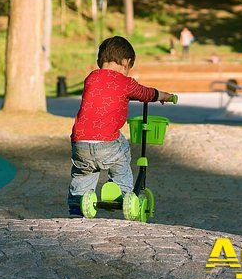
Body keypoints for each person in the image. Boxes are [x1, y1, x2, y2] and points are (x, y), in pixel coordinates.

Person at [67, 36, 175, 216]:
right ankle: (124, 194)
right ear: (126, 62)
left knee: (83, 173)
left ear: (99, 60)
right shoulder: (126, 83)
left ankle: (78, 205)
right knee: (122, 150)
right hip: (107, 144)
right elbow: (144, 93)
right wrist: (164, 96)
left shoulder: (91, 78)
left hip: (80, 143)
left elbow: (107, 90)